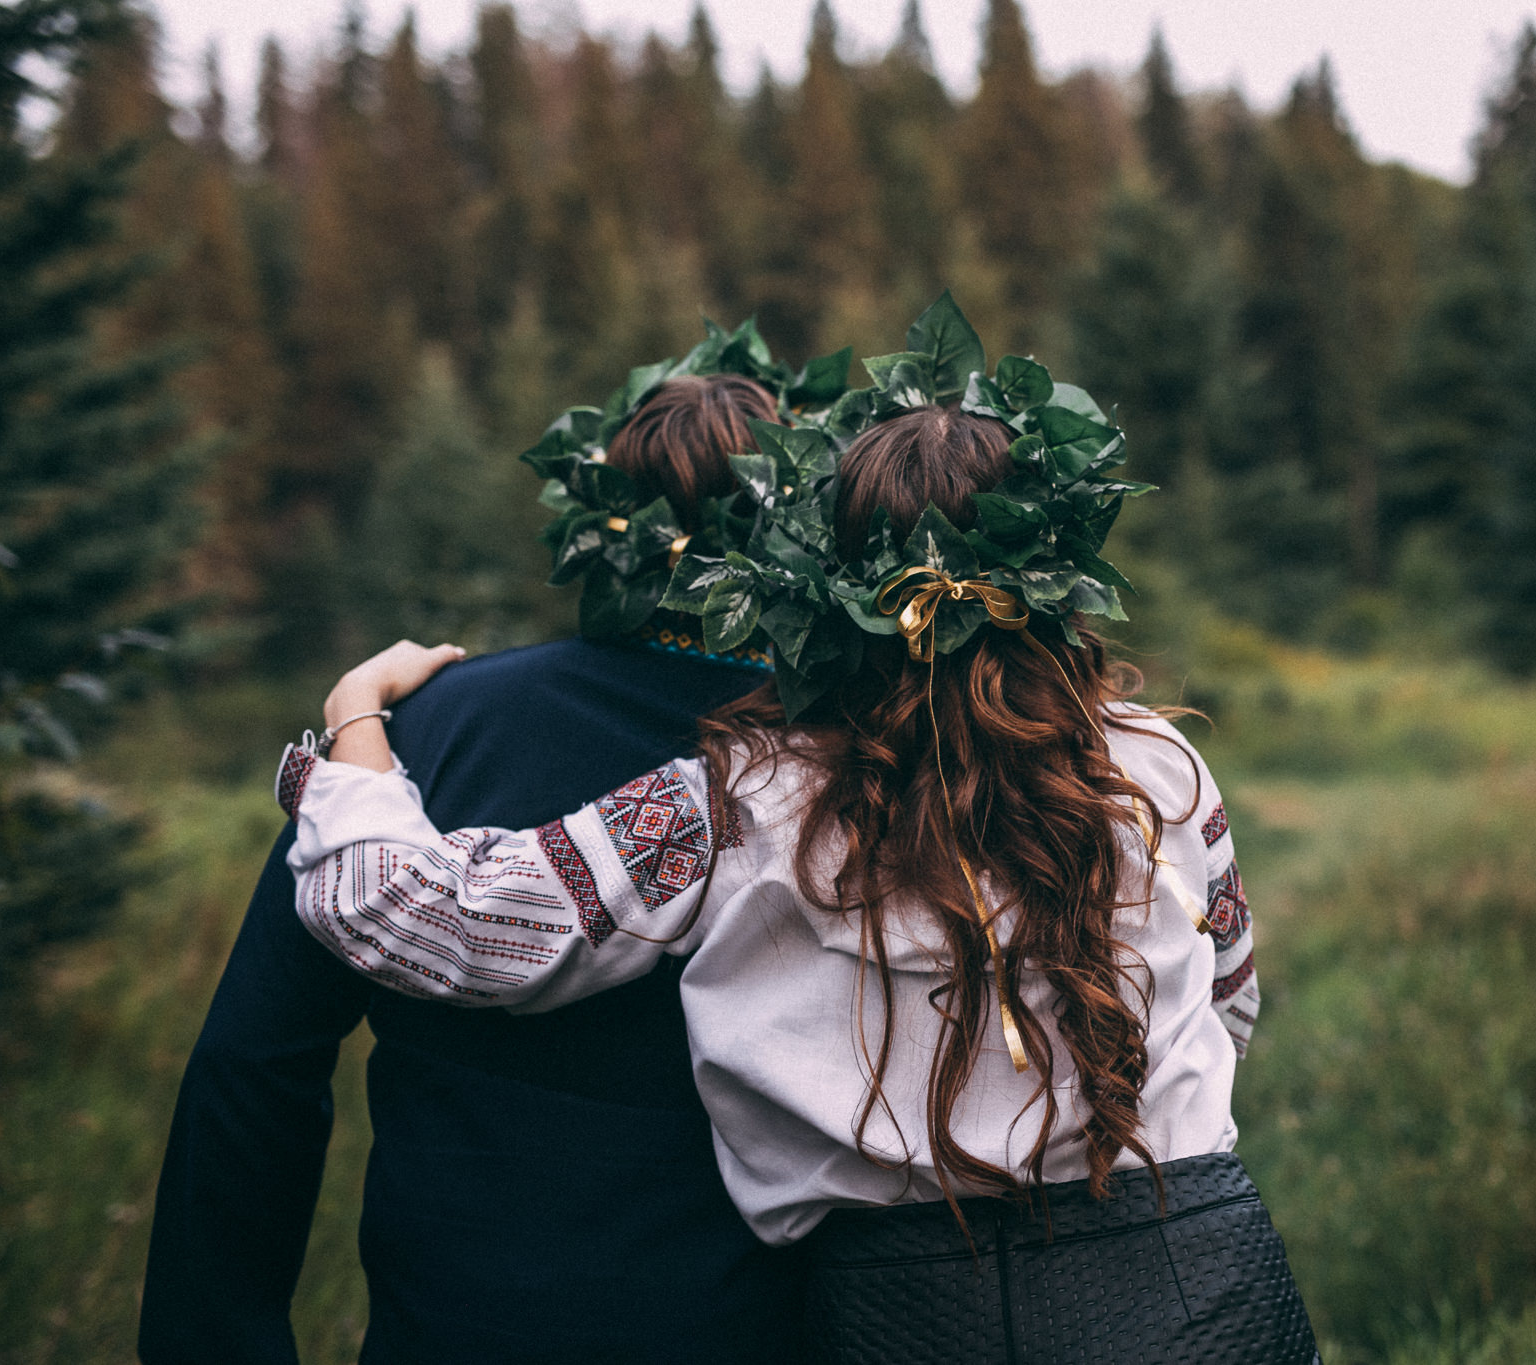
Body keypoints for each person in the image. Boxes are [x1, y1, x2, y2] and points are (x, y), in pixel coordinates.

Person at [271, 404, 1319, 1363]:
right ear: (1055, 574)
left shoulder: (735, 800)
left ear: (825, 582)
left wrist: (360, 712)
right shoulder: (1153, 764)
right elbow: (1229, 999)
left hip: (903, 1314)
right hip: (1196, 1275)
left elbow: (430, 920)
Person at [138, 374, 806, 1365]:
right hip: (749, 1323)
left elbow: (255, 1058)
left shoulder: (420, 735)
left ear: (598, 524)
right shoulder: (847, 765)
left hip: (455, 1322)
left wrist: (221, 1341)